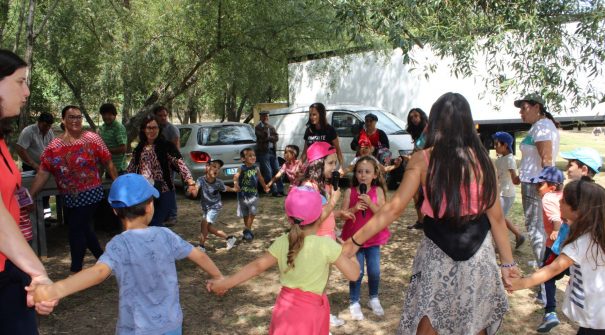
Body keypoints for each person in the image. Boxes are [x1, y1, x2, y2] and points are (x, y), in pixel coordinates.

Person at [343, 93, 517, 335]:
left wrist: (354, 242)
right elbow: (496, 218)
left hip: (437, 256)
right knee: (474, 320)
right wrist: (507, 263)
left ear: (434, 121)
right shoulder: (483, 161)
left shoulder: (423, 159)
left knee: (429, 318)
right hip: (479, 256)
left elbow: (394, 208)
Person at [30, 173, 223, 335]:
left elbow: (98, 273)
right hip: (171, 326)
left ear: (115, 211)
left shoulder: (118, 245)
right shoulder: (166, 235)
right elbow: (199, 255)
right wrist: (218, 277)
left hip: (135, 328)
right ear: (150, 206)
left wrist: (55, 290)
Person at [207, 186, 360, 334]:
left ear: (289, 218)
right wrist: (350, 250)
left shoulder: (283, 241)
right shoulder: (327, 245)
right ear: (321, 215)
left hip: (285, 311)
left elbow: (256, 266)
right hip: (311, 314)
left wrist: (224, 283)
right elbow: (354, 275)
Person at [0, 48, 56, 334]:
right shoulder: (26, 135)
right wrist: (38, 271)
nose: (27, 91)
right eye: (20, 81)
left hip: (8, 267)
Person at [30, 105, 117, 273]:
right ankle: (104, 259)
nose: (76, 120)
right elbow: (43, 172)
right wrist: (31, 195)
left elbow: (108, 161)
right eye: (71, 117)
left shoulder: (92, 138)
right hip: (69, 197)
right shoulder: (54, 146)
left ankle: (76, 268)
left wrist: (119, 184)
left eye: (78, 117)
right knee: (85, 228)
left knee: (76, 228)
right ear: (63, 120)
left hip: (91, 194)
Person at [510, 179, 605, 335]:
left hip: (595, 317)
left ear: (578, 210)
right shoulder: (595, 234)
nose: (559, 201)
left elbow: (552, 269)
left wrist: (518, 284)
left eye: (564, 200)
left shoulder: (581, 243)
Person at [298, 141, 354, 327]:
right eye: (330, 163)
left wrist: (338, 214)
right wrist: (333, 203)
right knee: (315, 284)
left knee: (322, 282)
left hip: (325, 239)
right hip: (315, 243)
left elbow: (326, 214)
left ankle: (321, 317)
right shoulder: (310, 188)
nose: (334, 168)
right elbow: (313, 221)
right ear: (317, 164)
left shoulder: (323, 186)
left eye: (334, 163)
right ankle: (317, 321)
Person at [340, 156, 388, 320]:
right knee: (357, 271)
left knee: (374, 271)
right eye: (359, 171)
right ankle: (354, 301)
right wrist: (353, 209)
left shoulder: (378, 191)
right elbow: (342, 215)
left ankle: (373, 298)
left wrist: (370, 203)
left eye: (367, 172)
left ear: (375, 174)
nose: (363, 175)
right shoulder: (350, 191)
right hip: (354, 239)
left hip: (373, 238)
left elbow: (383, 214)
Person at [515, 93, 560, 269]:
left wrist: (543, 183)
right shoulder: (540, 126)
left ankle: (544, 274)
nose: (521, 112)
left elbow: (547, 159)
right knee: (538, 227)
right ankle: (542, 261)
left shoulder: (542, 127)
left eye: (524, 108)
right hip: (532, 181)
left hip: (535, 184)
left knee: (535, 228)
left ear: (537, 107)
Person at [126, 115, 195, 227]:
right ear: (144, 129)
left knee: (156, 222)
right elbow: (132, 168)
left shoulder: (167, 146)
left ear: (159, 129)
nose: (152, 131)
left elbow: (180, 164)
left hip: (164, 191)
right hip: (145, 192)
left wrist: (190, 181)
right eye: (149, 128)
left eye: (155, 127)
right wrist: (127, 183)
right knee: (147, 223)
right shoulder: (139, 148)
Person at [530, 166, 565, 332]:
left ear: (552, 187)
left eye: (540, 184)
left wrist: (556, 230)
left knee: (547, 276)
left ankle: (550, 312)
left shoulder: (548, 198)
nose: (537, 188)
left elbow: (556, 219)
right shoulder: (564, 195)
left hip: (555, 246)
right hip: (571, 246)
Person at [188, 159, 238, 252]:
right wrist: (192, 191)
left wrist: (234, 189)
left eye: (218, 168)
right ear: (207, 167)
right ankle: (229, 238)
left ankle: (201, 247)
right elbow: (196, 190)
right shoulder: (201, 180)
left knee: (204, 224)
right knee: (208, 228)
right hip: (206, 208)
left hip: (215, 206)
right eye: (214, 166)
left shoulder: (218, 182)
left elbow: (225, 188)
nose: (216, 170)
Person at [15, 111, 55, 219]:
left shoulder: (50, 132)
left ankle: (46, 217)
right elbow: (20, 148)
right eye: (45, 125)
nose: (47, 128)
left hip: (45, 166)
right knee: (32, 189)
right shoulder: (28, 131)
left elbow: (53, 149)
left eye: (49, 126)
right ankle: (33, 217)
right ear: (39, 122)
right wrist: (33, 164)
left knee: (46, 192)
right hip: (30, 166)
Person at [492, 131, 525, 249]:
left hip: (506, 194)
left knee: (498, 219)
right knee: (499, 217)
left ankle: (500, 245)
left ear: (505, 145)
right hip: (500, 192)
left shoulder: (510, 159)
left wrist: (523, 175)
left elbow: (515, 179)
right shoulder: (501, 159)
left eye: (497, 144)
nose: (495, 147)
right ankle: (518, 235)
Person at [233, 148, 269, 241]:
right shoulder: (241, 168)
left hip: (254, 195)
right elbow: (236, 176)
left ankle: (247, 230)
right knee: (245, 214)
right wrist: (235, 184)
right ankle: (248, 232)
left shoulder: (256, 168)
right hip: (242, 196)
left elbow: (260, 178)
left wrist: (265, 186)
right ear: (243, 159)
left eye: (254, 155)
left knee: (252, 212)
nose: (253, 157)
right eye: (250, 155)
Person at [153, 105, 180, 226]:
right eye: (160, 115)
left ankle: (172, 215)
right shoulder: (155, 128)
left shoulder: (171, 129)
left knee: (169, 190)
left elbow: (174, 149)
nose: (163, 118)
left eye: (165, 115)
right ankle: (163, 214)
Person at [301, 102, 345, 174]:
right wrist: (299, 165)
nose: (311, 117)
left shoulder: (330, 130)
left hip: (326, 170)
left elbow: (338, 150)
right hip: (312, 170)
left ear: (321, 115)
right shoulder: (309, 131)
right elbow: (304, 153)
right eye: (310, 115)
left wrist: (341, 167)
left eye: (314, 114)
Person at [404, 108, 428, 230]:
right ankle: (421, 220)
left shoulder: (428, 130)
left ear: (422, 116)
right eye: (411, 117)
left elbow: (422, 149)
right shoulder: (418, 132)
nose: (414, 119)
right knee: (416, 194)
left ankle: (427, 221)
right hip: (419, 165)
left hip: (428, 167)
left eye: (416, 116)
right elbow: (417, 149)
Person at [255, 110, 284, 197]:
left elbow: (276, 137)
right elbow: (261, 137)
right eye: (264, 116)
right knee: (268, 172)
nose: (266, 118)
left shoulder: (271, 127)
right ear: (260, 118)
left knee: (277, 170)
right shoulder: (257, 127)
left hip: (272, 151)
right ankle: (274, 191)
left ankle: (281, 190)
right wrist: (269, 137)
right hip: (263, 153)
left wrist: (269, 137)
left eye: (267, 116)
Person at [98, 103, 127, 174]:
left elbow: (123, 149)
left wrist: (105, 151)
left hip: (119, 170)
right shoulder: (103, 127)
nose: (106, 117)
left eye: (109, 114)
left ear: (114, 115)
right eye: (104, 115)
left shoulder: (118, 128)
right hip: (108, 168)